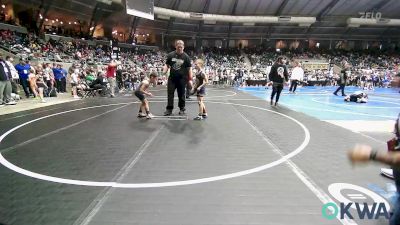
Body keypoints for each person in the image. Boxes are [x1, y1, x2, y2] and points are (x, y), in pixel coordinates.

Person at [163, 40, 192, 116]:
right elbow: (167, 65)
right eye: (178, 47)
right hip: (172, 78)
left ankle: (182, 109)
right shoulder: (170, 55)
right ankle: (169, 109)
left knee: (181, 94)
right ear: (175, 46)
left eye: (181, 47)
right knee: (170, 94)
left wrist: (190, 80)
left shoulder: (186, 57)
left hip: (182, 79)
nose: (180, 48)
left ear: (183, 47)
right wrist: (164, 72)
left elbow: (189, 69)